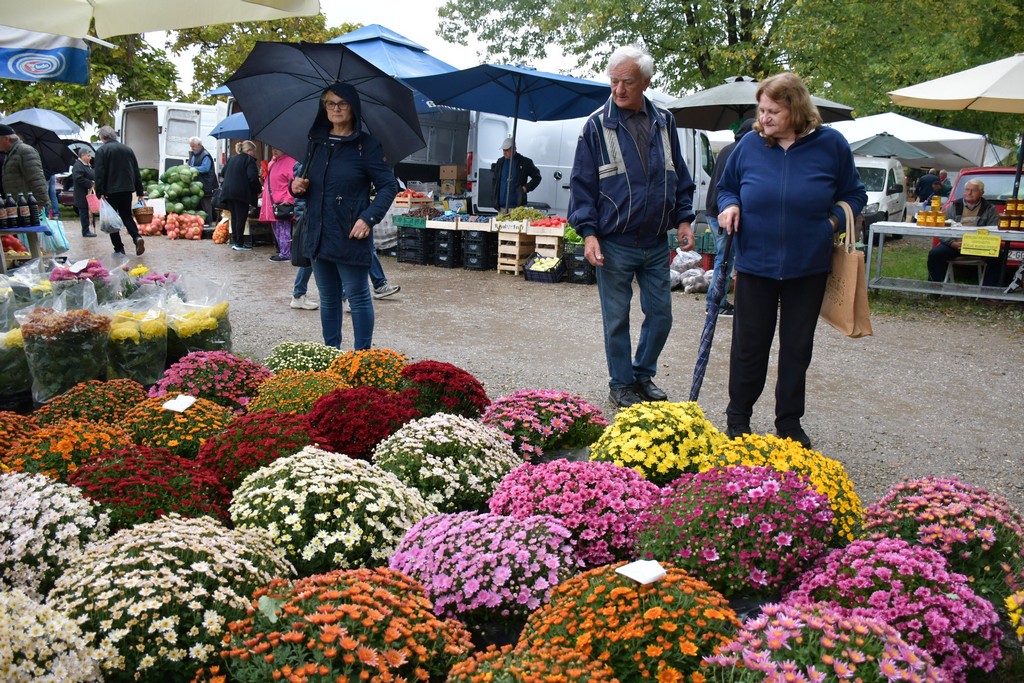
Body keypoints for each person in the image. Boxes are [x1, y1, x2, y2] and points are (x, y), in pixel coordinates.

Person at [717, 72, 866, 449]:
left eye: (772, 111)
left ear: (796, 109)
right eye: (761, 110)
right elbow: (726, 187)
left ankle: (788, 422)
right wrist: (730, 205)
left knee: (797, 347)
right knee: (749, 345)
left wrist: (830, 222)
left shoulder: (831, 145)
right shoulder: (749, 145)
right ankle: (738, 418)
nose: (763, 119)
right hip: (755, 263)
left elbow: (854, 193)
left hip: (808, 265)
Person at [568, 45, 696, 409]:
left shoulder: (665, 122)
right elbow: (582, 186)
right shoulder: (595, 126)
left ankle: (642, 374)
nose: (618, 90)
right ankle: (621, 383)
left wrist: (684, 218)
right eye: (613, 82)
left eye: (627, 82)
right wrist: (589, 234)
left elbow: (679, 175)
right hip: (614, 243)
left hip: (656, 241)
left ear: (646, 82)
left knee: (661, 315)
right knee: (617, 318)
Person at [290, 83, 399, 349]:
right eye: (330, 103)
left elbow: (389, 186)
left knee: (359, 297)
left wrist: (368, 218)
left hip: (350, 232)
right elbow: (307, 183)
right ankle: (331, 354)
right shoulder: (316, 143)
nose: (335, 109)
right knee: (328, 299)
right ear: (323, 107)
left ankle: (361, 357)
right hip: (318, 231)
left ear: (353, 108)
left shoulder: (367, 146)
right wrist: (297, 187)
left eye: (342, 103)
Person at [704, 117, 755, 315]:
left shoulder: (727, 149)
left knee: (724, 257)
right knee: (725, 259)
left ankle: (717, 301)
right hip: (723, 213)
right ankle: (716, 302)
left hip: (713, 209)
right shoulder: (743, 151)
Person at [927, 178, 1002, 286]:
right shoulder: (953, 206)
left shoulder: (990, 209)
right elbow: (941, 229)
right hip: (955, 245)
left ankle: (988, 291)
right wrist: (951, 243)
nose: (969, 193)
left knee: (999, 256)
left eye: (974, 190)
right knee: (935, 254)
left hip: (979, 246)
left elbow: (993, 231)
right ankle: (935, 288)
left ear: (982, 193)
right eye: (967, 190)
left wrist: (974, 243)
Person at [92, 125, 145, 256]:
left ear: (103, 137)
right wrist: (140, 192)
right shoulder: (127, 149)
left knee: (111, 220)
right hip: (127, 189)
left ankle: (119, 249)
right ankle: (136, 237)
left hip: (110, 191)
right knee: (126, 216)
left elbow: (99, 173)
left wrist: (100, 192)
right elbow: (136, 171)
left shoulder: (102, 151)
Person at [219, 140, 261, 251]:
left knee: (234, 217)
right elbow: (252, 177)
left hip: (228, 192)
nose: (255, 154)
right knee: (241, 218)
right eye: (254, 151)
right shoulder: (249, 160)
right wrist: (258, 189)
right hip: (241, 193)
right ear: (249, 151)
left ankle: (236, 241)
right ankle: (239, 243)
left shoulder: (232, 159)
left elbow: (223, 173)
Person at [0, 124, 51, 214]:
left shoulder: (24, 151)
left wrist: (40, 205)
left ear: (6, 139)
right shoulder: (10, 153)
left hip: (28, 207)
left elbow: (37, 179)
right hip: (18, 206)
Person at [259, 148, 297, 262]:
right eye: (273, 149)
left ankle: (285, 253)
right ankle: (282, 251)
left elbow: (294, 182)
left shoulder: (290, 162)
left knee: (283, 228)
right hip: (272, 203)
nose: (274, 151)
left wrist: (289, 199)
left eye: (277, 149)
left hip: (282, 202)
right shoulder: (273, 162)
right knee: (277, 228)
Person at [491, 138, 541, 210]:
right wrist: (494, 198)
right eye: (503, 150)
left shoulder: (525, 162)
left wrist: (526, 188)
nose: (504, 152)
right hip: (501, 206)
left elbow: (537, 177)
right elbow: (495, 181)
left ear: (514, 149)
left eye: (507, 150)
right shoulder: (500, 162)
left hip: (517, 206)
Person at [187, 137, 218, 226]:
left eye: (193, 146)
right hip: (197, 184)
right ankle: (199, 223)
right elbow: (191, 164)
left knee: (206, 204)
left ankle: (208, 223)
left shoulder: (205, 155)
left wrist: (192, 168)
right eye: (191, 146)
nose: (192, 148)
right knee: (198, 204)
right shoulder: (194, 154)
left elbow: (205, 168)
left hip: (206, 184)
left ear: (199, 145)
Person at [71, 148, 96, 237]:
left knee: (89, 211)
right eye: (88, 156)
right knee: (83, 212)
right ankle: (85, 231)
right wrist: (91, 183)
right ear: (82, 156)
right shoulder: (78, 166)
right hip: (82, 194)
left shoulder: (86, 165)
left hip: (88, 193)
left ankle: (90, 229)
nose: (90, 158)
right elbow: (78, 178)